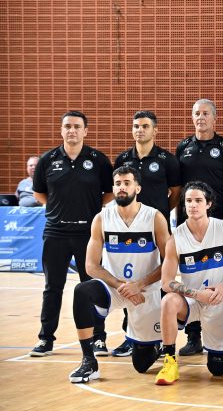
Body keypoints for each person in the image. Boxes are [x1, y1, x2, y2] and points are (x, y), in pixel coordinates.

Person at [68, 166, 170, 383]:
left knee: (141, 365)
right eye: (117, 184)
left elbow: (170, 262)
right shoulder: (101, 218)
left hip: (145, 292)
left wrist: (138, 285)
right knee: (82, 291)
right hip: (114, 288)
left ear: (138, 188)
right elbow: (91, 266)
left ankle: (154, 343)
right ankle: (89, 361)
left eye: (127, 183)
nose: (122, 187)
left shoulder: (154, 217)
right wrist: (120, 285)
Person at [30, 111, 114, 357]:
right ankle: (46, 339)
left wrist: (92, 208)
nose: (72, 130)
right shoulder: (48, 160)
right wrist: (56, 208)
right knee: (52, 287)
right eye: (67, 126)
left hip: (88, 234)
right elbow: (39, 193)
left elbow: (109, 192)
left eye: (77, 126)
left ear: (85, 131)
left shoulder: (98, 160)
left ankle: (99, 338)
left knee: (92, 287)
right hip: (55, 233)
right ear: (61, 130)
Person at [154, 181, 223, 385]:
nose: (193, 205)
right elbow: (166, 282)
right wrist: (197, 294)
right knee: (168, 301)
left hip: (217, 300)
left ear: (208, 204)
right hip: (192, 300)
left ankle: (217, 349)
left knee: (217, 369)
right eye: (188, 201)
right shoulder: (176, 238)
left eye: (198, 200)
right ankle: (169, 361)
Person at [112, 110, 181, 357]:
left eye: (145, 126)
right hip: (129, 232)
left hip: (156, 229)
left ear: (155, 130)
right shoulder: (123, 159)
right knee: (128, 281)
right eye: (136, 126)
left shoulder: (167, 159)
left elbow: (176, 192)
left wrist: (157, 216)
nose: (139, 130)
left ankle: (162, 337)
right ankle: (130, 336)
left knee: (162, 282)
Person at [175, 99, 223, 356]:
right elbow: (178, 191)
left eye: (205, 113)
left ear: (215, 118)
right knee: (190, 276)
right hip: (189, 224)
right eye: (196, 114)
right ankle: (193, 337)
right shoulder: (183, 147)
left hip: (217, 223)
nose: (200, 118)